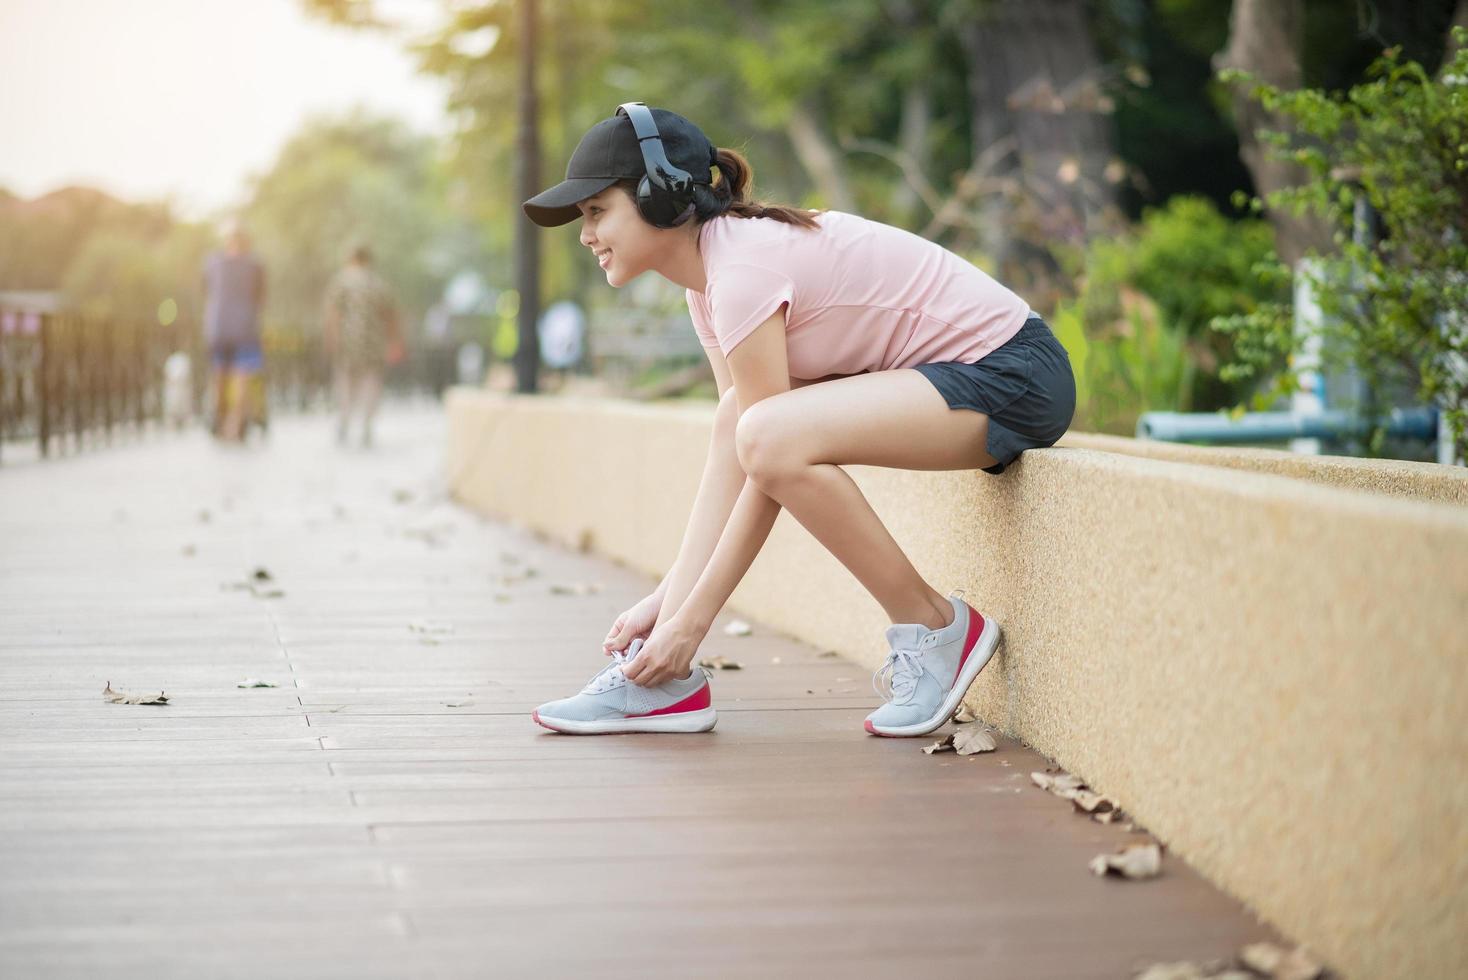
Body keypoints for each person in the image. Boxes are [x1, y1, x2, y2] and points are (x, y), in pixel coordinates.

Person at [522, 103, 1076, 738]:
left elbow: (771, 458)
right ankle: (665, 684)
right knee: (739, 421)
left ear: (660, 196)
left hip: (1014, 374)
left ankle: (937, 630)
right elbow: (745, 451)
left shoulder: (743, 270)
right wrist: (668, 602)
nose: (585, 234)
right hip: (959, 380)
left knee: (763, 431)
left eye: (596, 212)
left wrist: (691, 624)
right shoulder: (708, 285)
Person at [323, 242, 404, 448]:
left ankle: (344, 421)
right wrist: (394, 342)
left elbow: (334, 313)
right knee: (371, 384)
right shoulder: (378, 283)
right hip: (373, 343)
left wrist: (332, 339)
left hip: (347, 342)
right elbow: (390, 316)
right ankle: (367, 424)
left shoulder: (341, 281)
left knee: (345, 383)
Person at [201, 222, 266, 442]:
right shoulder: (255, 265)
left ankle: (219, 420)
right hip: (245, 328)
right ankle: (235, 426)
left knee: (219, 374)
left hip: (218, 327)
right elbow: (260, 297)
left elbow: (206, 290)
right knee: (242, 377)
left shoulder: (213, 262)